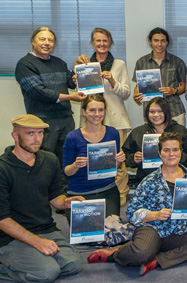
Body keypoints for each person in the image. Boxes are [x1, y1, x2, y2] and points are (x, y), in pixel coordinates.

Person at [87, 132, 187, 276]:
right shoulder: (149, 180)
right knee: (141, 254)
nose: (171, 154)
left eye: (175, 150)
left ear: (181, 152)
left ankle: (157, 260)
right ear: (159, 153)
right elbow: (131, 213)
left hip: (177, 231)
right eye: (166, 150)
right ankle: (115, 253)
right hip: (152, 228)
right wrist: (155, 215)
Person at [0, 115, 84, 283]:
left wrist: (66, 202)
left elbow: (55, 197)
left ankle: (28, 259)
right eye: (30, 133)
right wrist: (37, 242)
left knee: (73, 265)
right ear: (15, 136)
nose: (37, 139)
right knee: (47, 273)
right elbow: (0, 220)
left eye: (40, 133)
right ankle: (4, 264)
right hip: (10, 237)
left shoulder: (50, 160)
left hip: (45, 229)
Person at [74, 27, 133, 206]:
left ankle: (121, 193)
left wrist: (112, 81)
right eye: (98, 41)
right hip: (90, 121)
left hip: (115, 119)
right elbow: (81, 95)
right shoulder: (84, 65)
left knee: (118, 160)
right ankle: (96, 193)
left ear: (110, 42)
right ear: (92, 43)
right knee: (92, 159)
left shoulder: (119, 64)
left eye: (105, 40)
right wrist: (77, 81)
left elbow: (125, 93)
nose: (101, 44)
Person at [15, 27, 86, 165]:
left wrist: (77, 69)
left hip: (65, 118)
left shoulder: (59, 62)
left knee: (67, 156)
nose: (47, 43)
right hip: (43, 120)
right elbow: (38, 92)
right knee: (44, 158)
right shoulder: (25, 64)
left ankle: (63, 186)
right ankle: (44, 187)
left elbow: (70, 83)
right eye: (42, 39)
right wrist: (70, 97)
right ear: (33, 42)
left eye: (50, 40)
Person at [62, 95, 126, 216]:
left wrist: (119, 160)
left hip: (107, 190)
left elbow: (114, 168)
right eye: (92, 110)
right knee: (88, 234)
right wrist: (76, 165)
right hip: (79, 193)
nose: (97, 114)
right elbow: (66, 172)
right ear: (83, 112)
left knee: (111, 230)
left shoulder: (113, 133)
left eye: (101, 110)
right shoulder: (73, 137)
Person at [123, 97, 187, 186]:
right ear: (147, 114)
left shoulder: (180, 131)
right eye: (152, 112)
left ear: (166, 112)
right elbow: (125, 154)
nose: (156, 115)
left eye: (160, 111)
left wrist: (177, 157)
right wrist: (133, 159)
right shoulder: (137, 133)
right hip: (146, 181)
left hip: (174, 180)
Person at [132, 27, 187, 125]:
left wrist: (173, 91)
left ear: (167, 42)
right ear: (150, 42)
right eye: (156, 41)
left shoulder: (177, 62)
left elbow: (185, 86)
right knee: (154, 140)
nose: (159, 44)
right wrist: (136, 96)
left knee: (177, 140)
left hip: (174, 111)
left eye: (163, 41)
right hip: (152, 113)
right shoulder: (141, 62)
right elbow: (138, 86)